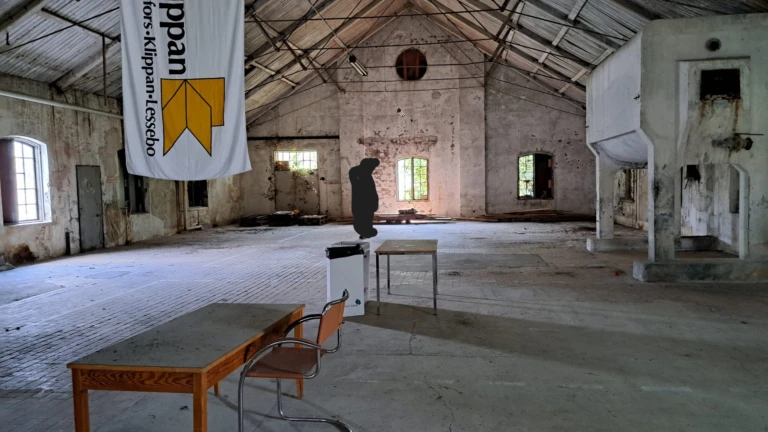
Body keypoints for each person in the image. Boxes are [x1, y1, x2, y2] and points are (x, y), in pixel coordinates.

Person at [349, 158, 380, 239]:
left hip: (364, 202)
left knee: (366, 217)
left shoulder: (362, 173)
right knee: (364, 217)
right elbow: (368, 190)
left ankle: (365, 232)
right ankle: (365, 232)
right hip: (363, 202)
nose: (373, 169)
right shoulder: (361, 173)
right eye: (372, 167)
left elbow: (372, 191)